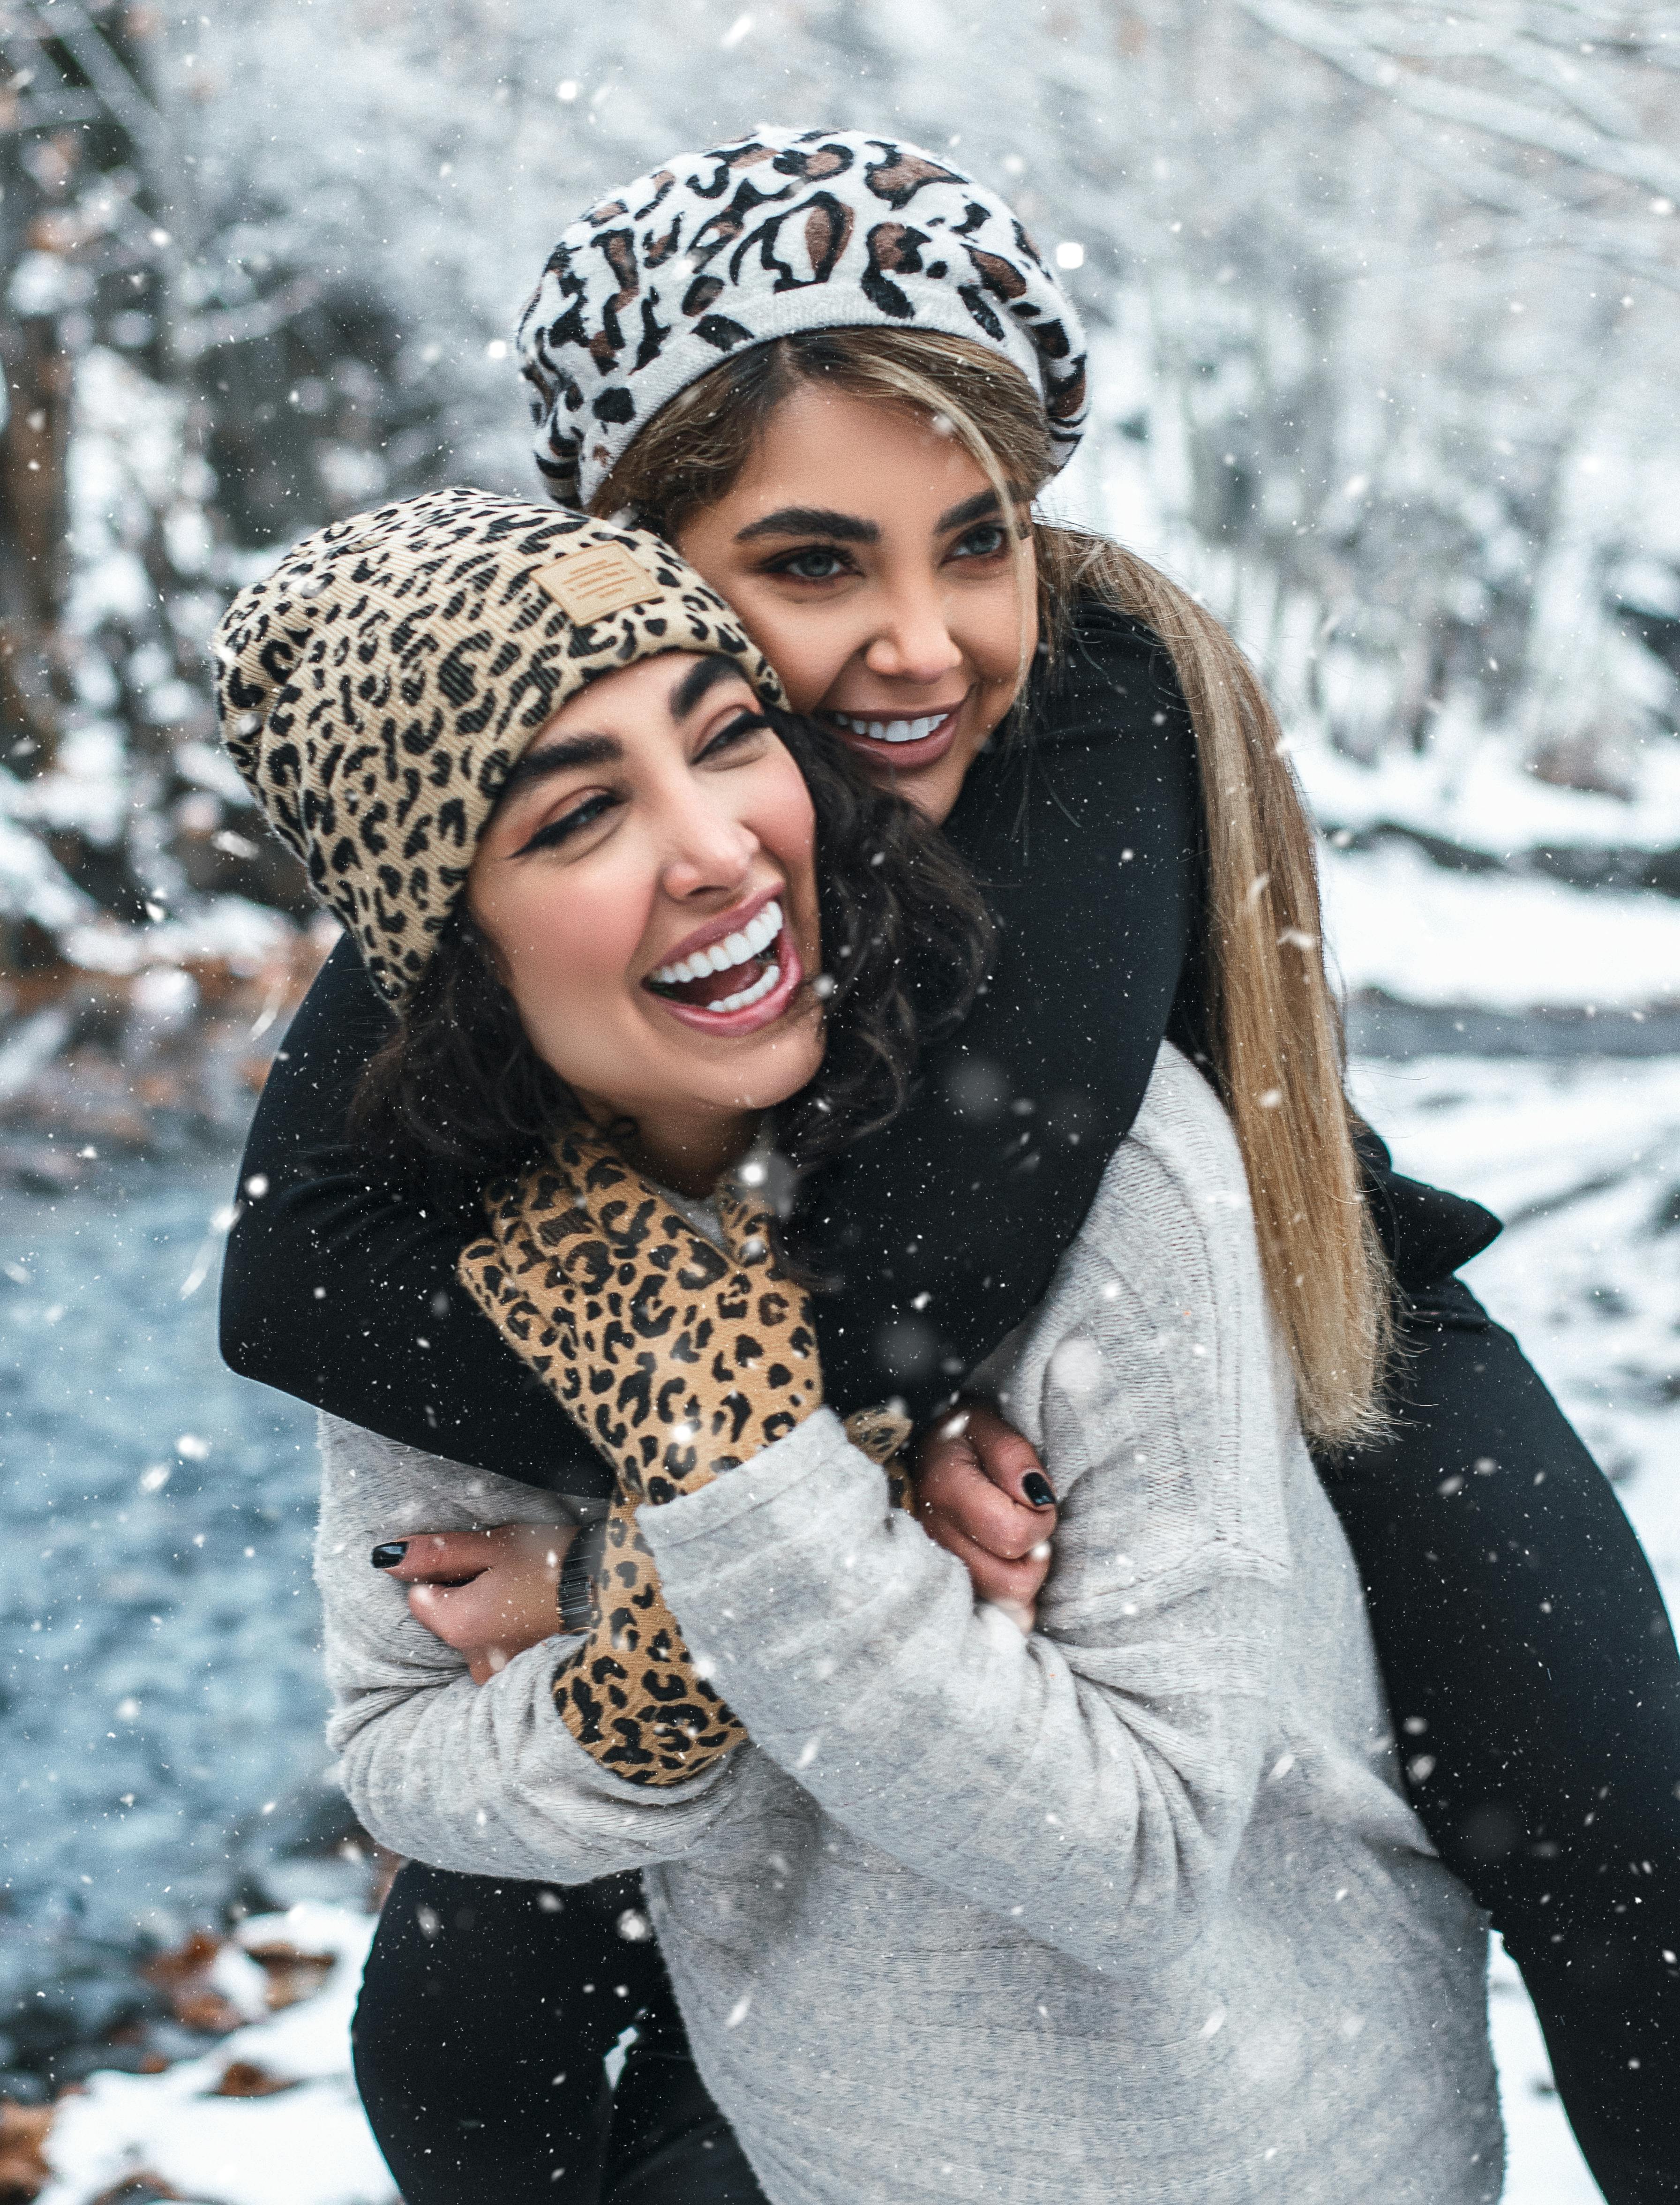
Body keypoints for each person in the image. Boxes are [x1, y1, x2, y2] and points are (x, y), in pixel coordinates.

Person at [219, 129, 1680, 2201]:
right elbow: (295, 1270)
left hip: (1281, 1299)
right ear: (629, 572)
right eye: (813, 564)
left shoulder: (1084, 699)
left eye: (969, 539)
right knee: (460, 2033)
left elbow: (973, 1215)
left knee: (1628, 1841)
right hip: (770, 1386)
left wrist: (713, 1531)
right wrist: (753, 1530)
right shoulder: (544, 800)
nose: (921, 644)